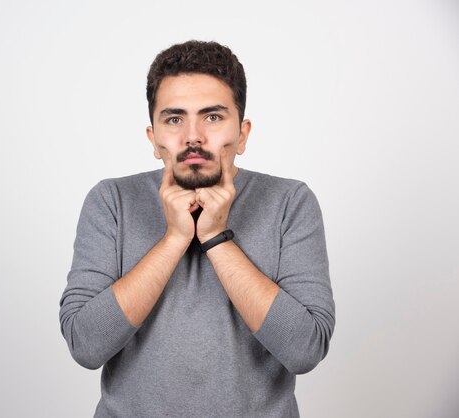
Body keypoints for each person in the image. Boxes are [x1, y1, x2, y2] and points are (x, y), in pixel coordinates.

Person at [59, 40, 335, 417]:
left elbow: (305, 349)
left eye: (213, 117)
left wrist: (215, 238)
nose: (193, 136)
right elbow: (86, 344)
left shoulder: (290, 202)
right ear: (153, 139)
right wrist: (174, 239)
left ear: (243, 134)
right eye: (174, 119)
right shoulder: (112, 201)